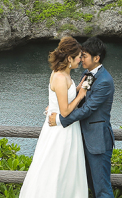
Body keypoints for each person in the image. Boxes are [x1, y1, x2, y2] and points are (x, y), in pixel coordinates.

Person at [19, 36, 88, 198]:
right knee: (55, 169)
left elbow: (64, 98)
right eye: (78, 56)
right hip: (60, 132)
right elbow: (64, 111)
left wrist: (79, 87)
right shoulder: (59, 77)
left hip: (68, 129)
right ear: (70, 58)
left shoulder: (65, 74)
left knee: (68, 171)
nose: (81, 59)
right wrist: (80, 96)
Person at [49, 37, 115, 198]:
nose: (81, 59)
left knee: (102, 188)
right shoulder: (88, 75)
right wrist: (53, 106)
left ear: (96, 58)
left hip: (97, 140)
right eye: (81, 55)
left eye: (84, 56)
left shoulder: (104, 81)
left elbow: (88, 108)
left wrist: (60, 119)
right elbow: (78, 98)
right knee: (87, 184)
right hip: (81, 139)